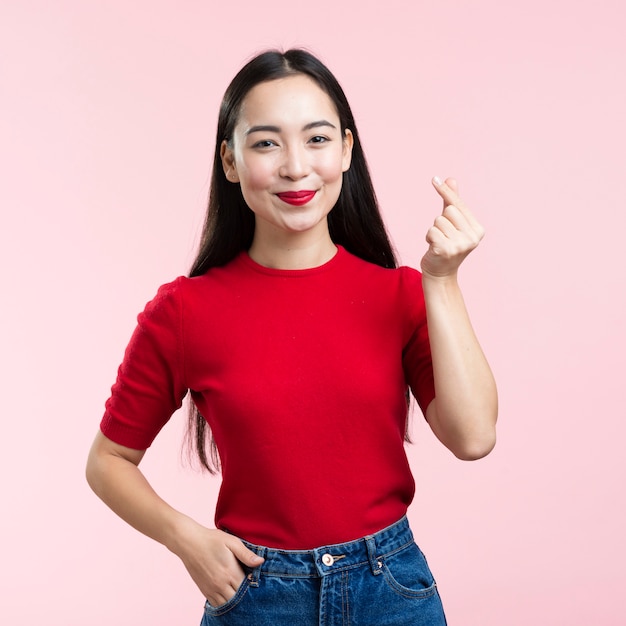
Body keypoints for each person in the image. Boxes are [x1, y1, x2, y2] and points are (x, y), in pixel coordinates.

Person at [86, 49, 497, 626]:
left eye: (318, 139)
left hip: (391, 592)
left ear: (347, 151)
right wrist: (188, 540)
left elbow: (474, 436)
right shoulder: (184, 312)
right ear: (230, 162)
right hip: (256, 597)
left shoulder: (402, 295)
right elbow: (107, 461)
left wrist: (442, 280)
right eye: (266, 143)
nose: (296, 167)